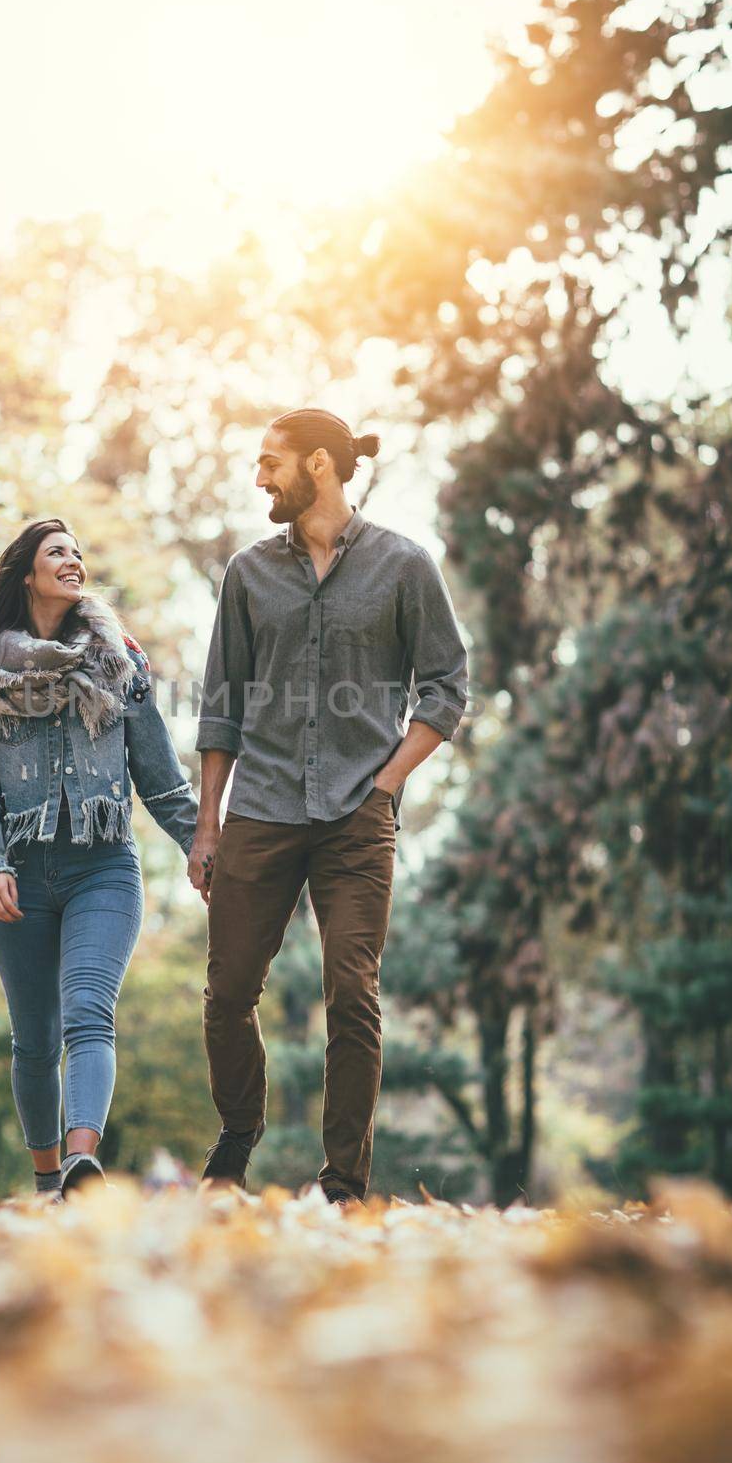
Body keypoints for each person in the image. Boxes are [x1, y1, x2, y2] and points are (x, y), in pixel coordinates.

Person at [189, 408, 469, 1207]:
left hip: (356, 818)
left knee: (353, 993)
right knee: (228, 993)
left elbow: (447, 687)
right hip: (263, 808)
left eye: (269, 463)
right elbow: (221, 706)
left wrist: (385, 783)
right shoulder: (248, 574)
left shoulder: (404, 566)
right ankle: (237, 1135)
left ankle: (344, 1181)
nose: (258, 478)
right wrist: (207, 824)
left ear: (319, 466)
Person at [0, 518, 198, 1200]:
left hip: (102, 867)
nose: (73, 560)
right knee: (34, 1039)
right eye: (56, 552)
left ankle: (79, 1164)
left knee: (89, 1010)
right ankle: (43, 1182)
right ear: (26, 574)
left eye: (78, 552)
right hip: (19, 876)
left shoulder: (117, 658)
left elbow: (157, 771)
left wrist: (202, 847)